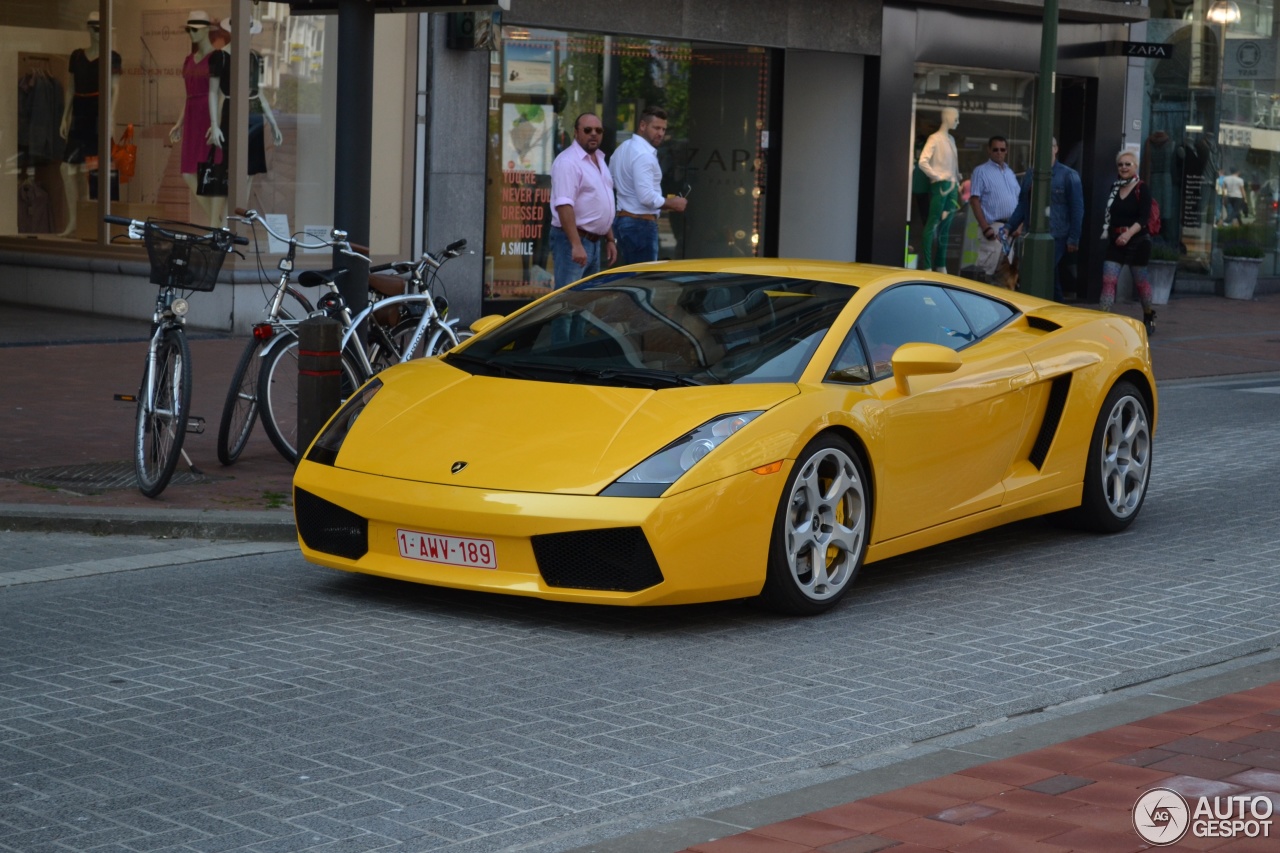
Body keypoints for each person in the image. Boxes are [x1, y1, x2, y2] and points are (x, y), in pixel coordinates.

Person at [58, 11, 121, 237]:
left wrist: (110, 117)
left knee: (94, 170)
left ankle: (92, 223)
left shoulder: (111, 57)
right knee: (67, 167)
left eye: (101, 28)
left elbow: (114, 89)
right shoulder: (76, 56)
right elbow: (71, 87)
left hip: (98, 113)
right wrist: (65, 116)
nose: (98, 33)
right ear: (88, 29)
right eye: (94, 28)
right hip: (80, 112)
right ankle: (75, 219)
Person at [208, 19, 284, 199]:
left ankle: (240, 217)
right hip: (231, 112)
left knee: (249, 171)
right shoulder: (221, 57)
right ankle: (231, 218)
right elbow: (212, 92)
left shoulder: (256, 57)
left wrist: (273, 125)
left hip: (254, 116)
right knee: (233, 169)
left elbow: (260, 94)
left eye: (248, 30)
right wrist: (214, 124)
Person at [1006, 137, 1084, 302]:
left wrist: (1073, 238)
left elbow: (1077, 208)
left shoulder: (1069, 175)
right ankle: (1058, 309)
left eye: (1050, 147)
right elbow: (1022, 204)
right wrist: (1009, 226)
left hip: (1057, 234)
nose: (1045, 151)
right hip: (1032, 232)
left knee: (1041, 271)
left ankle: (1041, 307)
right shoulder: (1030, 174)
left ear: (1056, 149)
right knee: (1049, 275)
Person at [609, 106, 686, 265]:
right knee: (642, 280)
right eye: (656, 128)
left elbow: (612, 182)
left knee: (627, 279)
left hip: (622, 221)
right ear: (643, 126)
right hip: (640, 224)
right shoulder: (644, 155)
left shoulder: (622, 148)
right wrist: (673, 203)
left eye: (663, 129)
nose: (661, 133)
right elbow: (646, 197)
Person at [168, 12, 224, 227]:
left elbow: (219, 94)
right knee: (187, 172)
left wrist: (215, 123)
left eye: (195, 29)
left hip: (208, 117)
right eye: (188, 29)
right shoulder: (188, 60)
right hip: (192, 115)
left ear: (206, 30)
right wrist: (179, 122)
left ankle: (214, 225)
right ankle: (216, 223)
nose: (191, 33)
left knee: (211, 170)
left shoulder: (216, 58)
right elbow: (188, 95)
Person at [549, 113, 616, 287]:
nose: (594, 134)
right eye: (587, 130)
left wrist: (610, 239)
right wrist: (576, 244)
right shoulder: (568, 162)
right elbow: (564, 205)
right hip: (573, 240)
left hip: (594, 241)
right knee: (567, 301)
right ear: (576, 132)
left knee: (585, 304)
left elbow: (602, 202)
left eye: (598, 130)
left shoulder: (600, 159)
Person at [1099, 151, 1157, 335]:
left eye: (1128, 164)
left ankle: (1148, 314)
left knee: (1141, 283)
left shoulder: (1142, 188)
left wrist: (1128, 234)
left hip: (1138, 241)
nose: (1124, 167)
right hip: (1116, 241)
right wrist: (1115, 236)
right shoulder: (1114, 189)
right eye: (1120, 164)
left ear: (1135, 167)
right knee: (1108, 281)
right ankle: (1102, 319)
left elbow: (1143, 218)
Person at [968, 136, 1022, 280]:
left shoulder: (1010, 173)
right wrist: (985, 227)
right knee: (986, 273)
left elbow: (1020, 200)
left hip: (1011, 229)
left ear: (1006, 151)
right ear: (989, 151)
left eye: (1002, 149)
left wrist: (1019, 226)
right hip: (994, 228)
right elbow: (974, 200)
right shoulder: (981, 171)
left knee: (1006, 275)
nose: (999, 152)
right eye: (995, 149)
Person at [918, 107, 961, 273]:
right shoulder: (934, 139)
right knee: (933, 223)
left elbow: (954, 163)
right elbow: (923, 161)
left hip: (952, 185)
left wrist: (957, 178)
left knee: (946, 226)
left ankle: (941, 263)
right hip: (941, 185)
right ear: (948, 118)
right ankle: (927, 265)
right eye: (956, 118)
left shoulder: (951, 139)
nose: (957, 122)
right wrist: (936, 176)